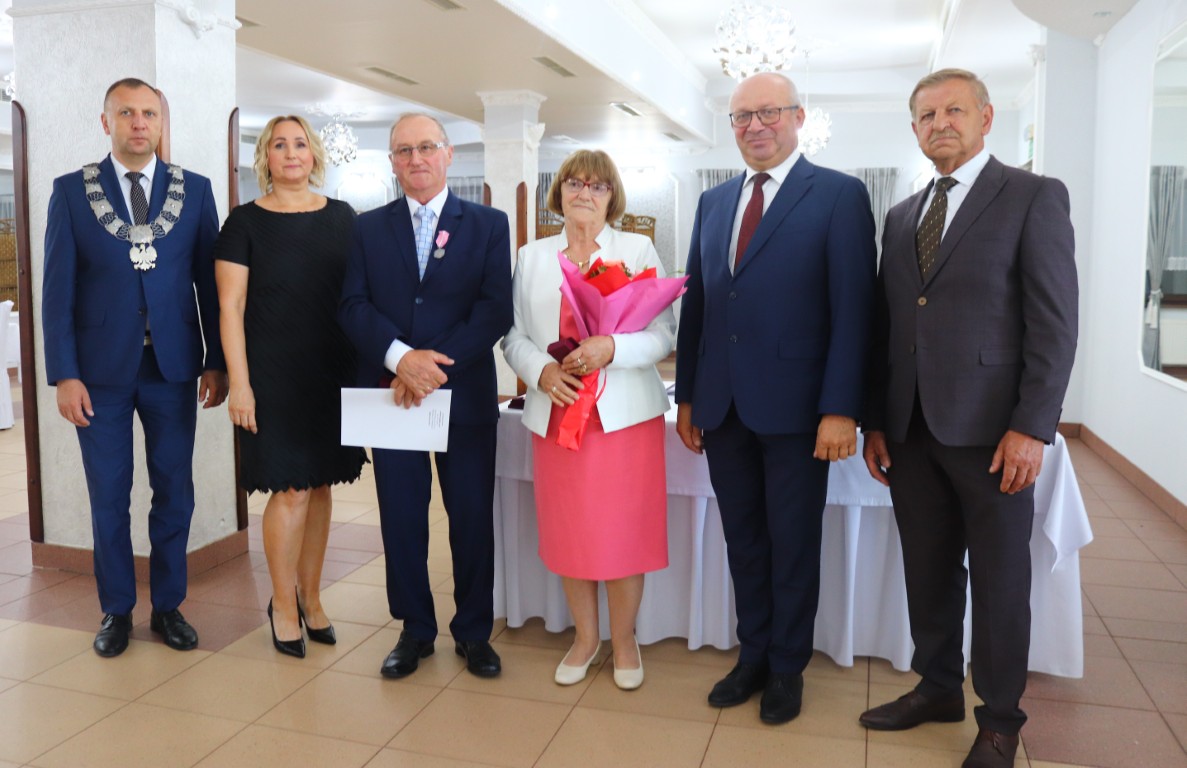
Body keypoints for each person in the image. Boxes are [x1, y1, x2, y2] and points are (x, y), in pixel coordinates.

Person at [859, 69, 1077, 768]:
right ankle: (936, 688)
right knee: (927, 572)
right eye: (926, 115)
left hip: (993, 435)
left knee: (999, 581)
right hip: (910, 432)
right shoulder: (901, 216)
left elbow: (1054, 325)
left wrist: (1032, 426)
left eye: (954, 110)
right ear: (914, 129)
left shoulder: (1032, 196)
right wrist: (875, 420)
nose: (940, 123)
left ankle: (1000, 720)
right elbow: (888, 327)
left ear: (985, 117)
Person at [674, 71, 877, 724]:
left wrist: (841, 408)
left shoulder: (838, 195)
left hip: (799, 411)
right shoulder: (713, 202)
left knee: (792, 544)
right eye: (741, 116)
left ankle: (788, 667)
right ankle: (753, 655)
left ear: (797, 117)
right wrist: (687, 396)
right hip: (722, 407)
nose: (755, 126)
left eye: (768, 113)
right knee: (744, 541)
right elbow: (700, 305)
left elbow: (854, 310)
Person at [42, 77, 227, 657]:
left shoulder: (195, 191)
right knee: (108, 494)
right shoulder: (71, 192)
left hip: (173, 368)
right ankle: (116, 609)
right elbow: (56, 292)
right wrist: (64, 373)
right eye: (127, 113)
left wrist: (216, 361)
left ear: (161, 122)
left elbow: (209, 285)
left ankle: (168, 606)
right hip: (99, 374)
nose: (139, 122)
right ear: (107, 122)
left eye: (149, 113)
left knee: (174, 490)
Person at [339, 113, 513, 679]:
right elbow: (352, 306)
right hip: (393, 399)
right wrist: (400, 359)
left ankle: (474, 632)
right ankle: (415, 630)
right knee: (401, 518)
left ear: (448, 154)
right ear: (391, 161)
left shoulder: (488, 224)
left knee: (471, 518)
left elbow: (494, 309)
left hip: (461, 398)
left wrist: (428, 367)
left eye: (426, 147)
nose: (416, 159)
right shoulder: (366, 228)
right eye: (404, 150)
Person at [502, 150, 675, 690]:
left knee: (625, 534)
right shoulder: (532, 256)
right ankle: (585, 638)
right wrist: (542, 371)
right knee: (570, 532)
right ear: (559, 193)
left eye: (597, 186)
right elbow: (514, 336)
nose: (584, 193)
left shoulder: (637, 250)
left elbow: (664, 334)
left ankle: (624, 641)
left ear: (611, 197)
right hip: (558, 415)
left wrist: (612, 348)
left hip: (624, 420)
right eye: (574, 183)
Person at [213, 115, 367, 659]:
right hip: (272, 374)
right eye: (280, 144)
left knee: (321, 485)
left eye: (300, 143)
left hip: (333, 370)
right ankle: (282, 604)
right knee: (292, 488)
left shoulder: (343, 218)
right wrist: (239, 383)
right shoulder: (244, 222)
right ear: (266, 158)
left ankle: (311, 596)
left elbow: (362, 295)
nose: (292, 152)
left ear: (314, 154)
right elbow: (229, 307)